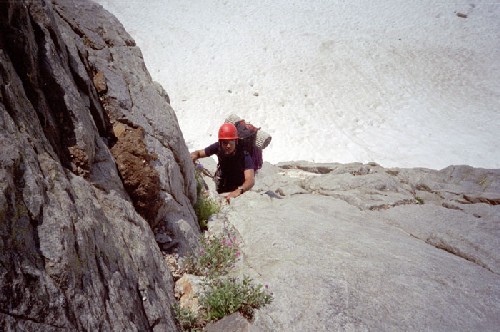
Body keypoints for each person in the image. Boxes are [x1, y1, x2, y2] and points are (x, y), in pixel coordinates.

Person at [191, 123, 255, 202]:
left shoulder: (244, 155)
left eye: (231, 142)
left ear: (236, 141)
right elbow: (200, 153)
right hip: (223, 182)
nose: (228, 146)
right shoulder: (218, 147)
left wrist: (239, 190)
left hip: (238, 186)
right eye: (225, 143)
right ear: (220, 142)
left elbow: (250, 180)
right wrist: (193, 155)